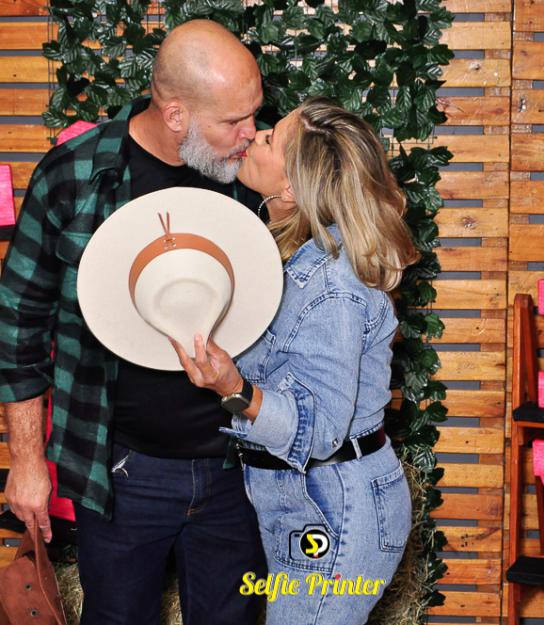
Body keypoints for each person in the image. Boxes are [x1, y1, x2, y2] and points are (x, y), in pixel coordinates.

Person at [0, 20, 267, 625]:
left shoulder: (256, 178)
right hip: (121, 471)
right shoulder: (74, 175)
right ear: (175, 115)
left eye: (254, 113)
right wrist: (26, 462)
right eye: (234, 120)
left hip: (239, 469)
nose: (252, 133)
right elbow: (17, 325)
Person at [172, 97, 419, 625]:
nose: (254, 136)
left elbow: (322, 430)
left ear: (290, 189)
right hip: (309, 504)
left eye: (269, 139)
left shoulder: (331, 285)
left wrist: (234, 390)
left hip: (332, 510)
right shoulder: (297, 260)